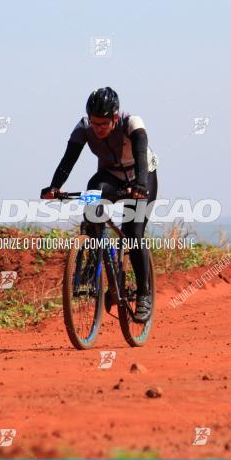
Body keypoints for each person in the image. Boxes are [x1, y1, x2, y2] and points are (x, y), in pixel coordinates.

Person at [40, 87, 159, 323]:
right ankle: (91, 262)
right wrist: (54, 186)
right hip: (110, 176)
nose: (99, 129)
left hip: (142, 176)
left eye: (104, 123)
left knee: (133, 233)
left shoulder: (132, 123)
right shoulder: (83, 127)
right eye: (95, 123)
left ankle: (144, 294)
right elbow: (68, 159)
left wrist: (141, 185)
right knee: (91, 198)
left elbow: (141, 153)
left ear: (115, 117)